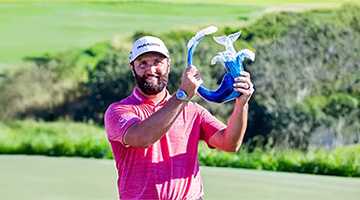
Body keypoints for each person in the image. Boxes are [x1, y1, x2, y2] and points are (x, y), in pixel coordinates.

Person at [104, 35, 254, 199]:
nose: (151, 70)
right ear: (132, 69)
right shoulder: (118, 111)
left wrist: (242, 104)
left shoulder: (193, 110)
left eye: (157, 62)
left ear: (168, 65)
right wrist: (183, 95)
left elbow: (230, 143)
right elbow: (142, 137)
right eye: (143, 64)